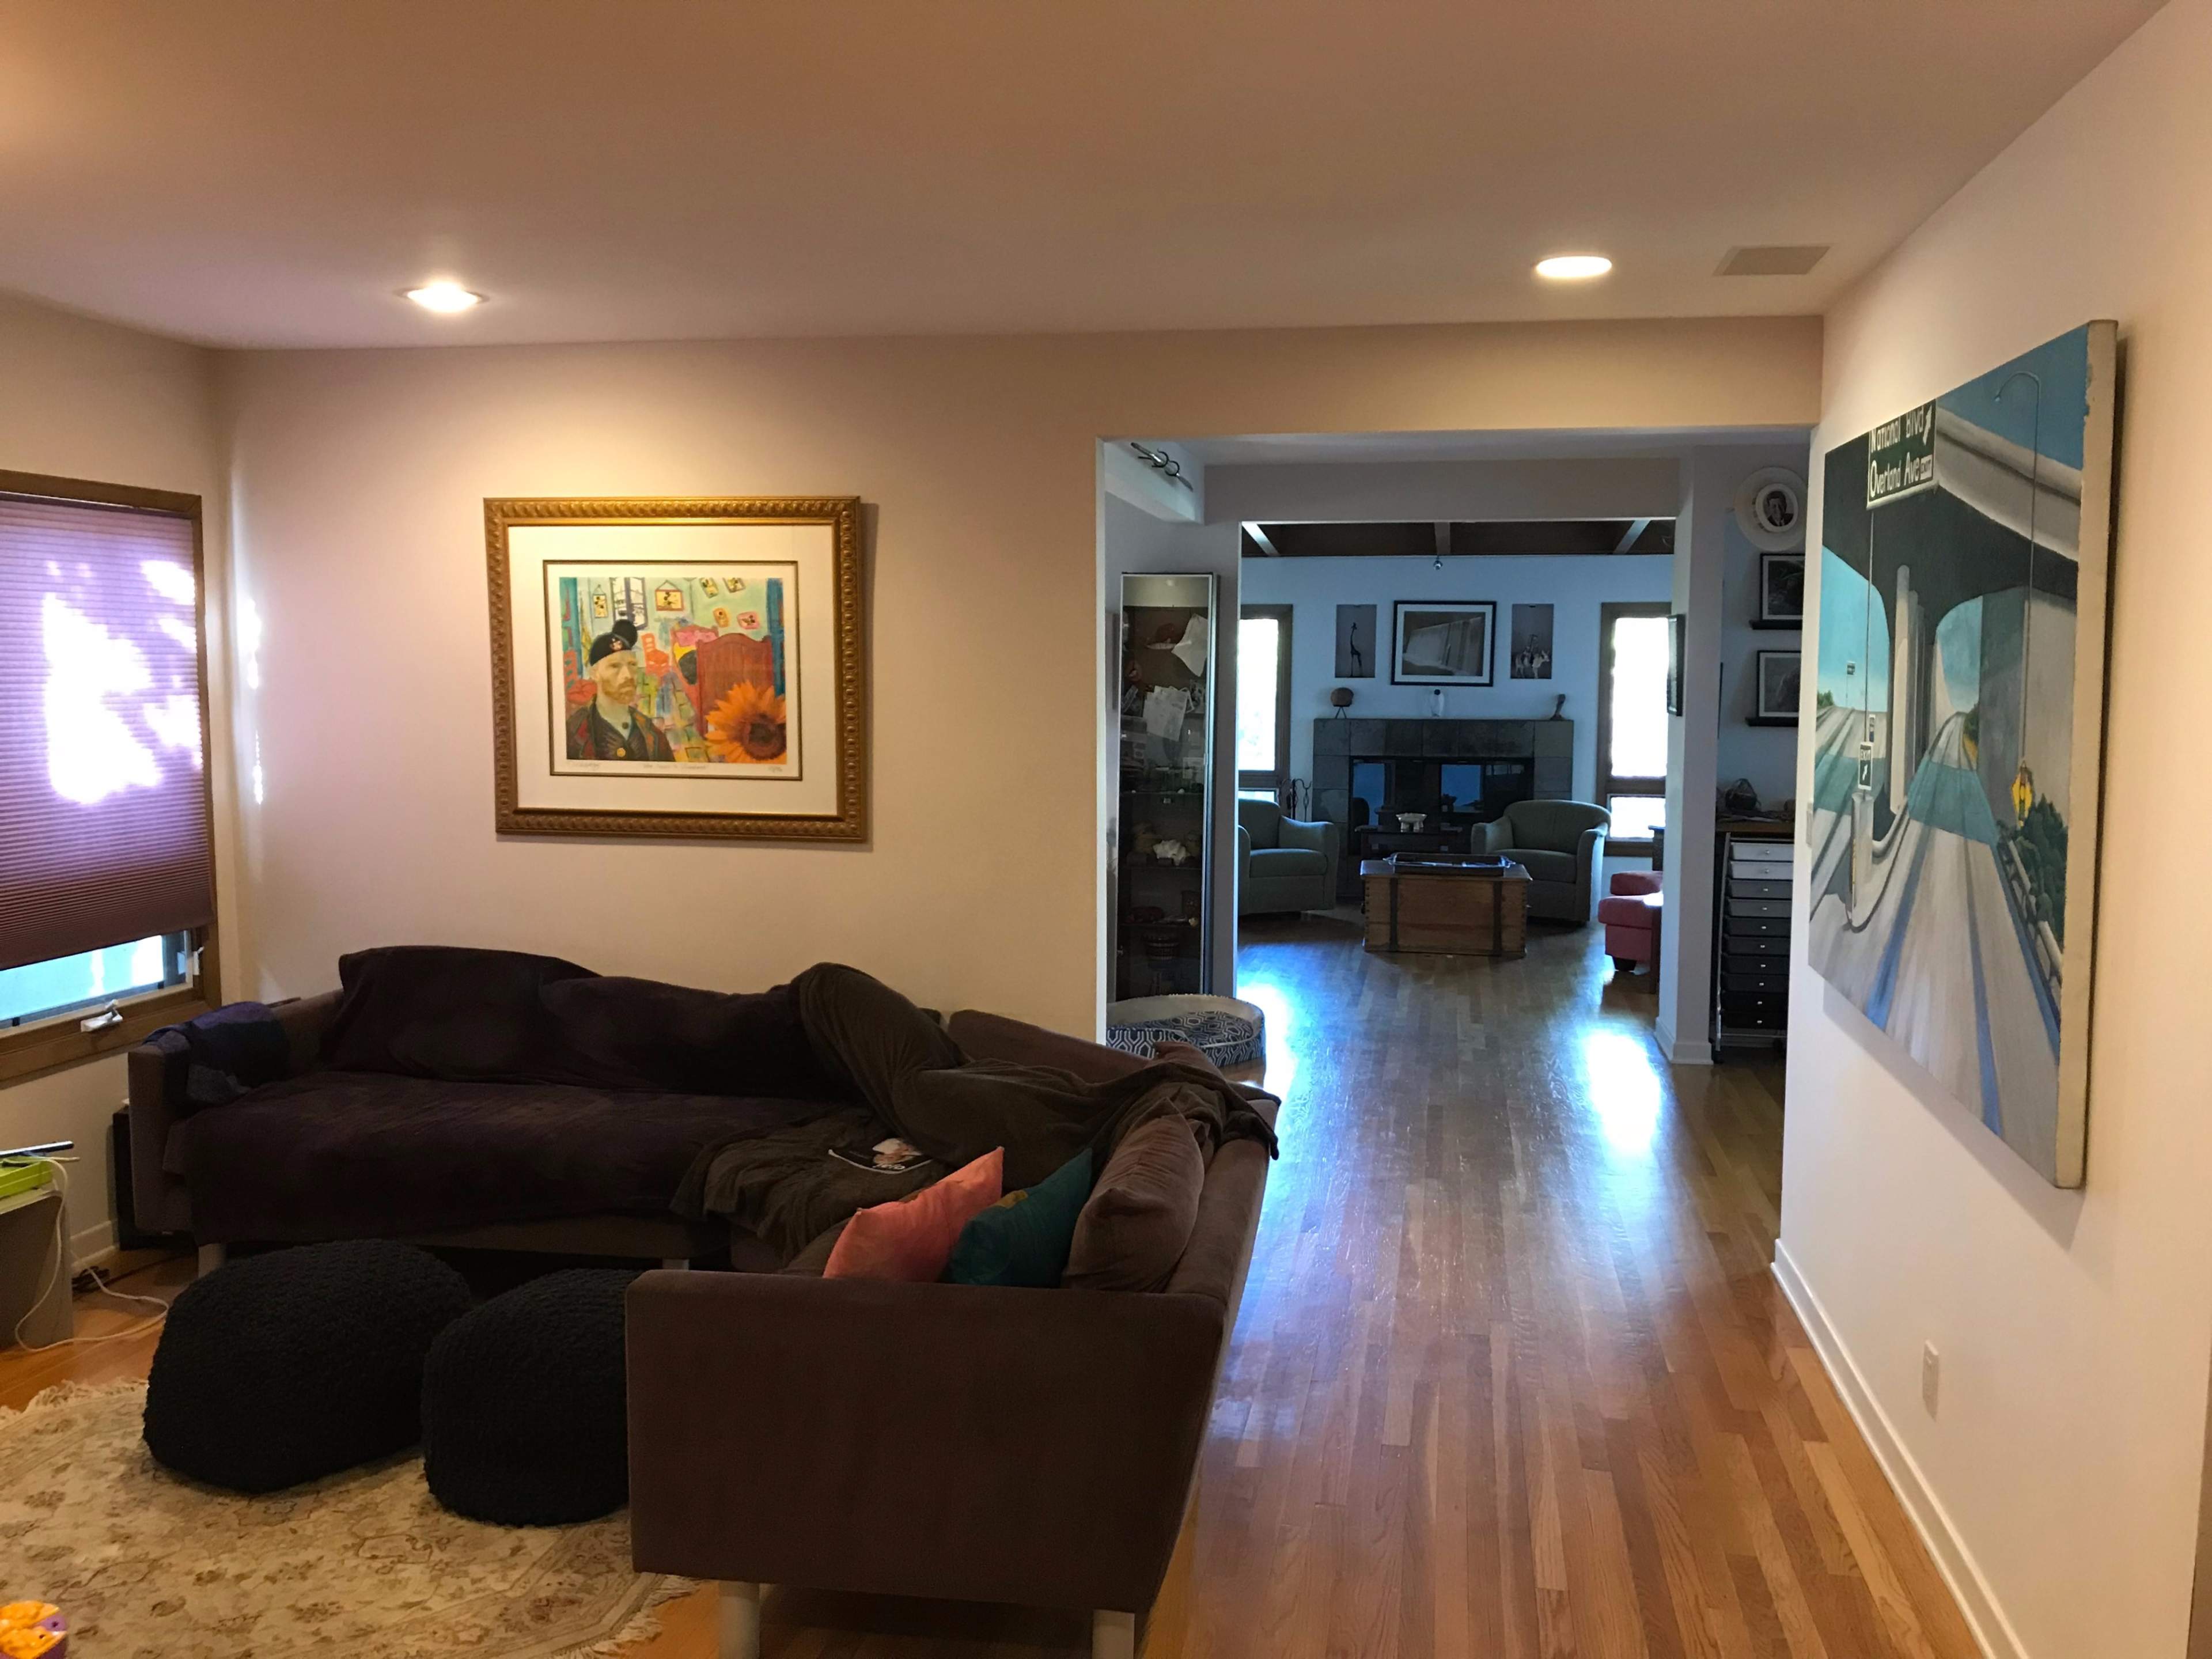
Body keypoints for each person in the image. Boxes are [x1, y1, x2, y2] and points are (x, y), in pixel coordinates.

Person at [566, 618, 675, 762]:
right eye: (615, 666)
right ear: (595, 674)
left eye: (632, 665)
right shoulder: (574, 733)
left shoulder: (653, 735)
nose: (628, 675)